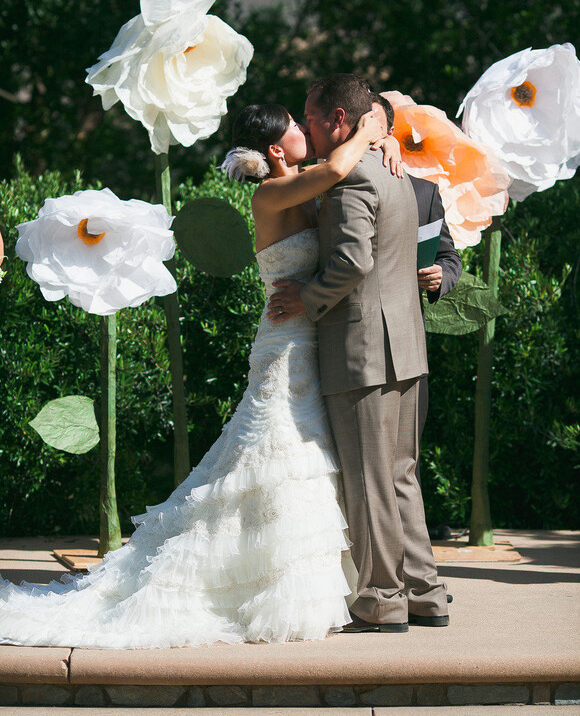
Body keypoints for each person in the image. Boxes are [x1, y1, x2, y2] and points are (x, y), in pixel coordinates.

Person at [0, 102, 397, 649]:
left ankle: (289, 576)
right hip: (286, 345)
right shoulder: (271, 194)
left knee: (300, 457)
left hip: (313, 338)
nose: (307, 130)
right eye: (296, 126)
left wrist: (388, 141)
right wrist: (375, 126)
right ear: (277, 149)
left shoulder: (299, 180)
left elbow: (335, 169)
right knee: (272, 455)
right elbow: (335, 169)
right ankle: (256, 585)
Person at [268, 74, 449, 632]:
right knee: (400, 476)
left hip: (361, 348)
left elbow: (351, 262)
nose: (311, 129)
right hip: (406, 350)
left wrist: (308, 298)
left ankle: (381, 597)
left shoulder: (349, 183)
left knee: (369, 479)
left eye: (313, 119)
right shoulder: (397, 175)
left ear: (338, 121)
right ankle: (425, 592)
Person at [371, 93, 462, 478]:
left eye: (373, 126)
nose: (366, 134)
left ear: (390, 132)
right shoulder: (329, 180)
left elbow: (449, 256)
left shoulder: (424, 192)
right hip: (346, 338)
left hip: (407, 339)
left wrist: (442, 275)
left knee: (404, 457)